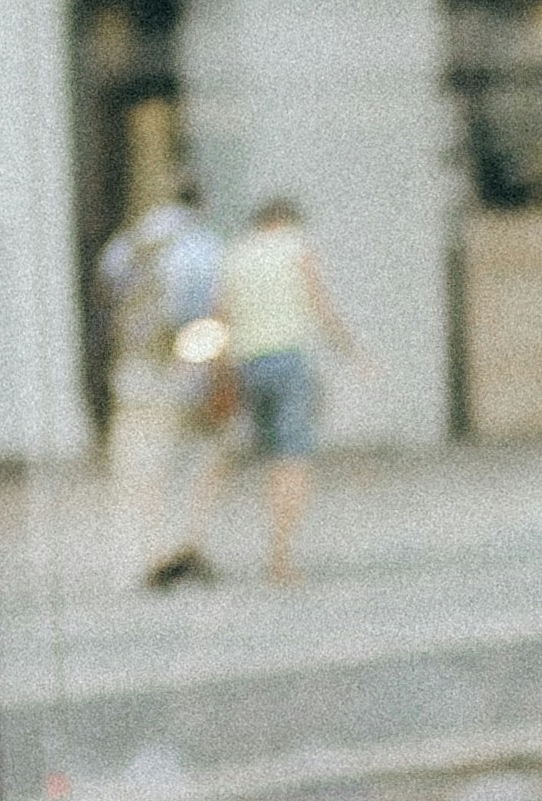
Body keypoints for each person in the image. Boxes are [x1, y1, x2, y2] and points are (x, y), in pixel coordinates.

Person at [208, 195, 360, 586]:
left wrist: (220, 371)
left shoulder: (236, 254)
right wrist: (353, 352)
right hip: (289, 363)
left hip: (246, 364)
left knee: (250, 454)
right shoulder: (296, 248)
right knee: (291, 459)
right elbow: (321, 308)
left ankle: (198, 538)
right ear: (284, 222)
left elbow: (219, 317)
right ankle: (280, 556)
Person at [100, 173, 234, 594]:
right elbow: (212, 313)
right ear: (202, 203)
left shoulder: (126, 246)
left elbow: (106, 302)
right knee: (208, 453)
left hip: (135, 370)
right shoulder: (205, 245)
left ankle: (154, 551)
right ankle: (190, 543)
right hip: (187, 369)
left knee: (147, 462)